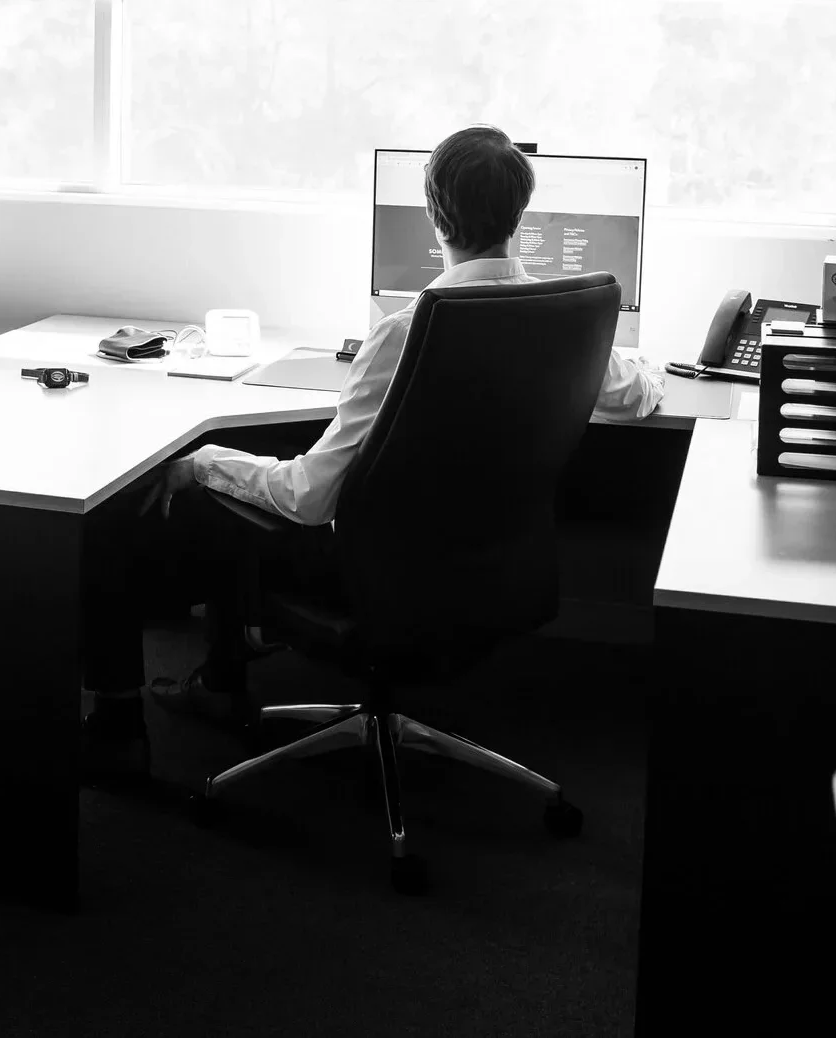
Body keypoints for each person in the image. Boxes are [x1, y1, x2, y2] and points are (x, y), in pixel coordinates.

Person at [83, 125, 664, 762]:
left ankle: (154, 713)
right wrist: (655, 367)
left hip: (379, 582)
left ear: (434, 214)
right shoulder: (568, 316)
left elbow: (308, 498)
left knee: (172, 486)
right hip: (497, 572)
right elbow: (633, 393)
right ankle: (226, 669)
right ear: (520, 213)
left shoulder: (406, 332)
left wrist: (202, 463)